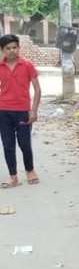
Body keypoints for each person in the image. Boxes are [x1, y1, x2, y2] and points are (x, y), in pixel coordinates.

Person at [0, 34, 41, 188]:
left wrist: (34, 110)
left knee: (24, 143)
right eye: (8, 48)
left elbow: (37, 89)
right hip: (3, 111)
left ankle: (30, 170)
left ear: (19, 48)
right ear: (2, 50)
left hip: (23, 111)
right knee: (8, 144)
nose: (12, 51)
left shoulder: (27, 65)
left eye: (14, 47)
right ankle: (13, 176)